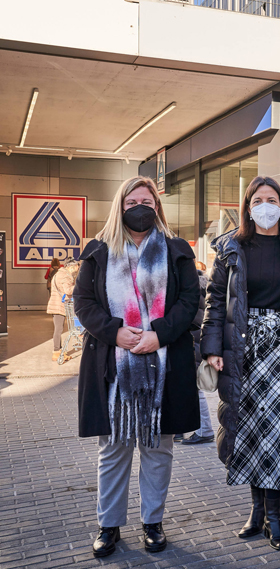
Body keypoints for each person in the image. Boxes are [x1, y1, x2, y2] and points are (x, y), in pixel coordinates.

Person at [73, 176, 200, 558]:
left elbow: (191, 301)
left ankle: (152, 523)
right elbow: (83, 303)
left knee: (158, 449)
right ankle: (108, 526)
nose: (140, 207)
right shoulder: (98, 251)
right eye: (132, 202)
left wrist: (158, 335)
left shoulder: (177, 250)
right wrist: (117, 333)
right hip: (112, 368)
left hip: (164, 368)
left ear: (157, 206)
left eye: (147, 200)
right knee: (113, 449)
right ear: (120, 206)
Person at [201, 176, 280, 551]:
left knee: (278, 434)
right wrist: (212, 348)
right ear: (247, 206)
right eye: (257, 199)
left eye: (271, 199)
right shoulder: (229, 248)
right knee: (250, 433)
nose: (265, 205)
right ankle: (256, 512)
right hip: (243, 351)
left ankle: (274, 516)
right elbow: (214, 304)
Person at [176, 262, 215, 445]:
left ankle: (205, 430)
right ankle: (179, 429)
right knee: (185, 388)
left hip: (192, 342)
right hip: (196, 341)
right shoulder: (202, 285)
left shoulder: (189, 288)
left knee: (194, 389)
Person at [47, 257, 79, 362]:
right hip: (59, 305)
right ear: (72, 267)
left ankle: (58, 351)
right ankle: (56, 352)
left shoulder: (58, 274)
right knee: (58, 329)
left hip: (55, 303)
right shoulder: (66, 276)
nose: (78, 268)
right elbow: (68, 290)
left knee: (58, 328)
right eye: (77, 266)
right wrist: (78, 286)